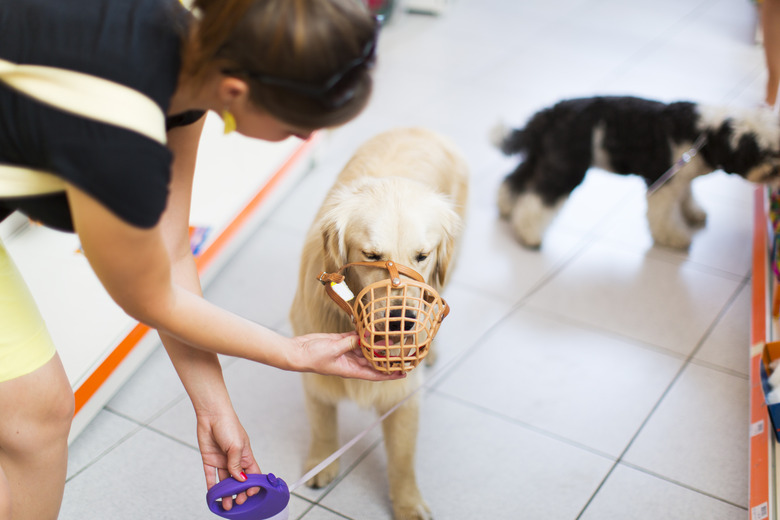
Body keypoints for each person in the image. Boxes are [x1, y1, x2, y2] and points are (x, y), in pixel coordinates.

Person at [0, 0, 392, 519]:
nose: (301, 138)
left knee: (36, 417)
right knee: (35, 414)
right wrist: (289, 351)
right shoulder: (119, 131)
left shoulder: (198, 48)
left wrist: (214, 408)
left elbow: (171, 250)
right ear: (237, 92)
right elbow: (150, 298)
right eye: (297, 126)